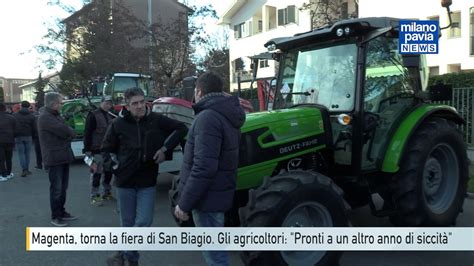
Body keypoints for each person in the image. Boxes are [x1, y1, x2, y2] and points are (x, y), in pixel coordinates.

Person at [102, 87, 187, 266]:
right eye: (135, 103)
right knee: (127, 224)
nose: (140, 106)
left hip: (147, 180)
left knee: (144, 222)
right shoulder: (118, 124)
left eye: (142, 102)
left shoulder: (156, 120)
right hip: (124, 181)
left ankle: (121, 251)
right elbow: (107, 149)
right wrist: (115, 167)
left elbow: (181, 128)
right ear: (127, 105)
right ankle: (132, 260)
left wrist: (165, 149)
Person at [174, 72, 245, 266]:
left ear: (198, 91)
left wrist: (184, 203)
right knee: (217, 253)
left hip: (206, 199)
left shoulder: (207, 118)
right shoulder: (225, 114)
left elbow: (204, 167)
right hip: (216, 195)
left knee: (215, 258)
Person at [38, 92, 77, 227]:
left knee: (63, 188)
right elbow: (66, 131)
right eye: (60, 103)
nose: (62, 105)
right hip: (54, 158)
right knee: (56, 189)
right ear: (53, 104)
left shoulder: (55, 116)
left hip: (62, 156)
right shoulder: (45, 118)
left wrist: (68, 132)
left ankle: (62, 211)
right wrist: (68, 132)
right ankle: (55, 216)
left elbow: (67, 131)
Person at [83, 95, 115, 206]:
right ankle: (94, 195)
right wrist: (87, 149)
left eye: (110, 103)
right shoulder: (93, 116)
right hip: (96, 150)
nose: (108, 105)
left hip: (108, 150)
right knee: (96, 173)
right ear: (101, 103)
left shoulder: (110, 115)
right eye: (106, 103)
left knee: (109, 172)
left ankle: (107, 192)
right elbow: (87, 133)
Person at [13, 101, 36, 177]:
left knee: (21, 153)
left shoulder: (15, 115)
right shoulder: (31, 115)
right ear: (29, 106)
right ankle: (27, 169)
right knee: (27, 153)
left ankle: (24, 169)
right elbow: (34, 127)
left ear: (21, 106)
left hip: (18, 136)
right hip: (28, 135)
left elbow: (13, 126)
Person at [0, 103, 17, 181]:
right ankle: (9, 173)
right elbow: (16, 129)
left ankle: (3, 174)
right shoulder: (11, 118)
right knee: (8, 158)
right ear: (4, 108)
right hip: (10, 140)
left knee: (1, 159)